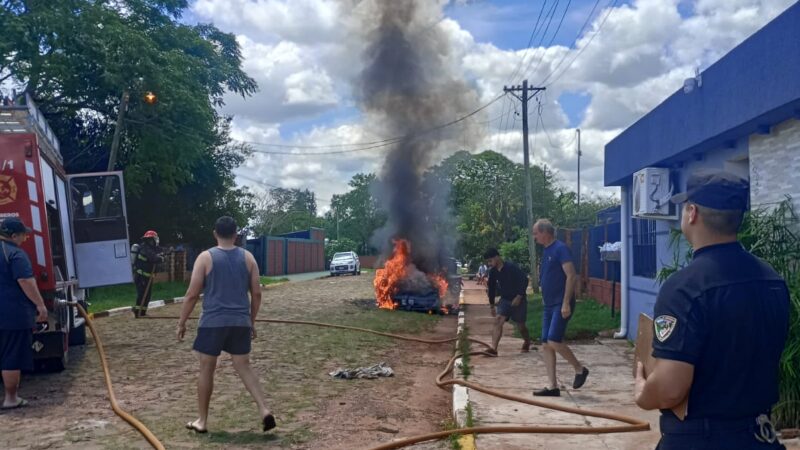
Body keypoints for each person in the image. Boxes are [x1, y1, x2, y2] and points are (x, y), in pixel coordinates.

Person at [635, 171, 789, 449]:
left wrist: (643, 392)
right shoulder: (772, 280)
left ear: (692, 213)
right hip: (760, 436)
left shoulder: (684, 288)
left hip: (701, 439)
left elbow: (670, 389)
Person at [177, 216, 275, 433]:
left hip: (212, 322)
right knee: (244, 366)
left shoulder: (205, 258)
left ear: (215, 234)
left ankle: (202, 421)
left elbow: (192, 294)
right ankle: (264, 409)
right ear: (236, 235)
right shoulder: (248, 258)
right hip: (240, 321)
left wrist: (182, 322)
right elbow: (257, 293)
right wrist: (251, 321)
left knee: (206, 369)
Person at [532, 219, 589, 397]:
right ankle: (552, 386)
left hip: (561, 303)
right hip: (549, 304)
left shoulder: (560, 248)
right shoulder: (546, 250)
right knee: (545, 344)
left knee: (554, 340)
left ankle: (579, 369)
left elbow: (571, 276)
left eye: (536, 233)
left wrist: (565, 302)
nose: (534, 237)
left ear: (545, 232)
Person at [0, 217, 48, 409]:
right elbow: (25, 281)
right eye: (23, 235)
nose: (25, 238)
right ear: (13, 236)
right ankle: (11, 399)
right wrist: (40, 305)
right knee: (11, 356)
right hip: (12, 315)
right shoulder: (15, 254)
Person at [483, 248, 533, 355]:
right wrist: (492, 305)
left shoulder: (511, 267)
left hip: (519, 300)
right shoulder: (493, 272)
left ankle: (527, 341)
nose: (489, 264)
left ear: (497, 257)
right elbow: (491, 288)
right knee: (498, 320)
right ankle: (493, 349)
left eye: (490, 261)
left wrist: (519, 296)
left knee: (521, 326)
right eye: (488, 262)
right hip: (505, 300)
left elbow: (524, 280)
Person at [132, 230, 164, 318]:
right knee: (142, 294)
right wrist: (160, 258)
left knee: (147, 296)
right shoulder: (144, 248)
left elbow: (159, 252)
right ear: (151, 240)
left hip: (147, 277)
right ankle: (137, 312)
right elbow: (154, 258)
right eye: (153, 239)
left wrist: (162, 254)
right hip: (141, 276)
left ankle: (143, 313)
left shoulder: (151, 248)